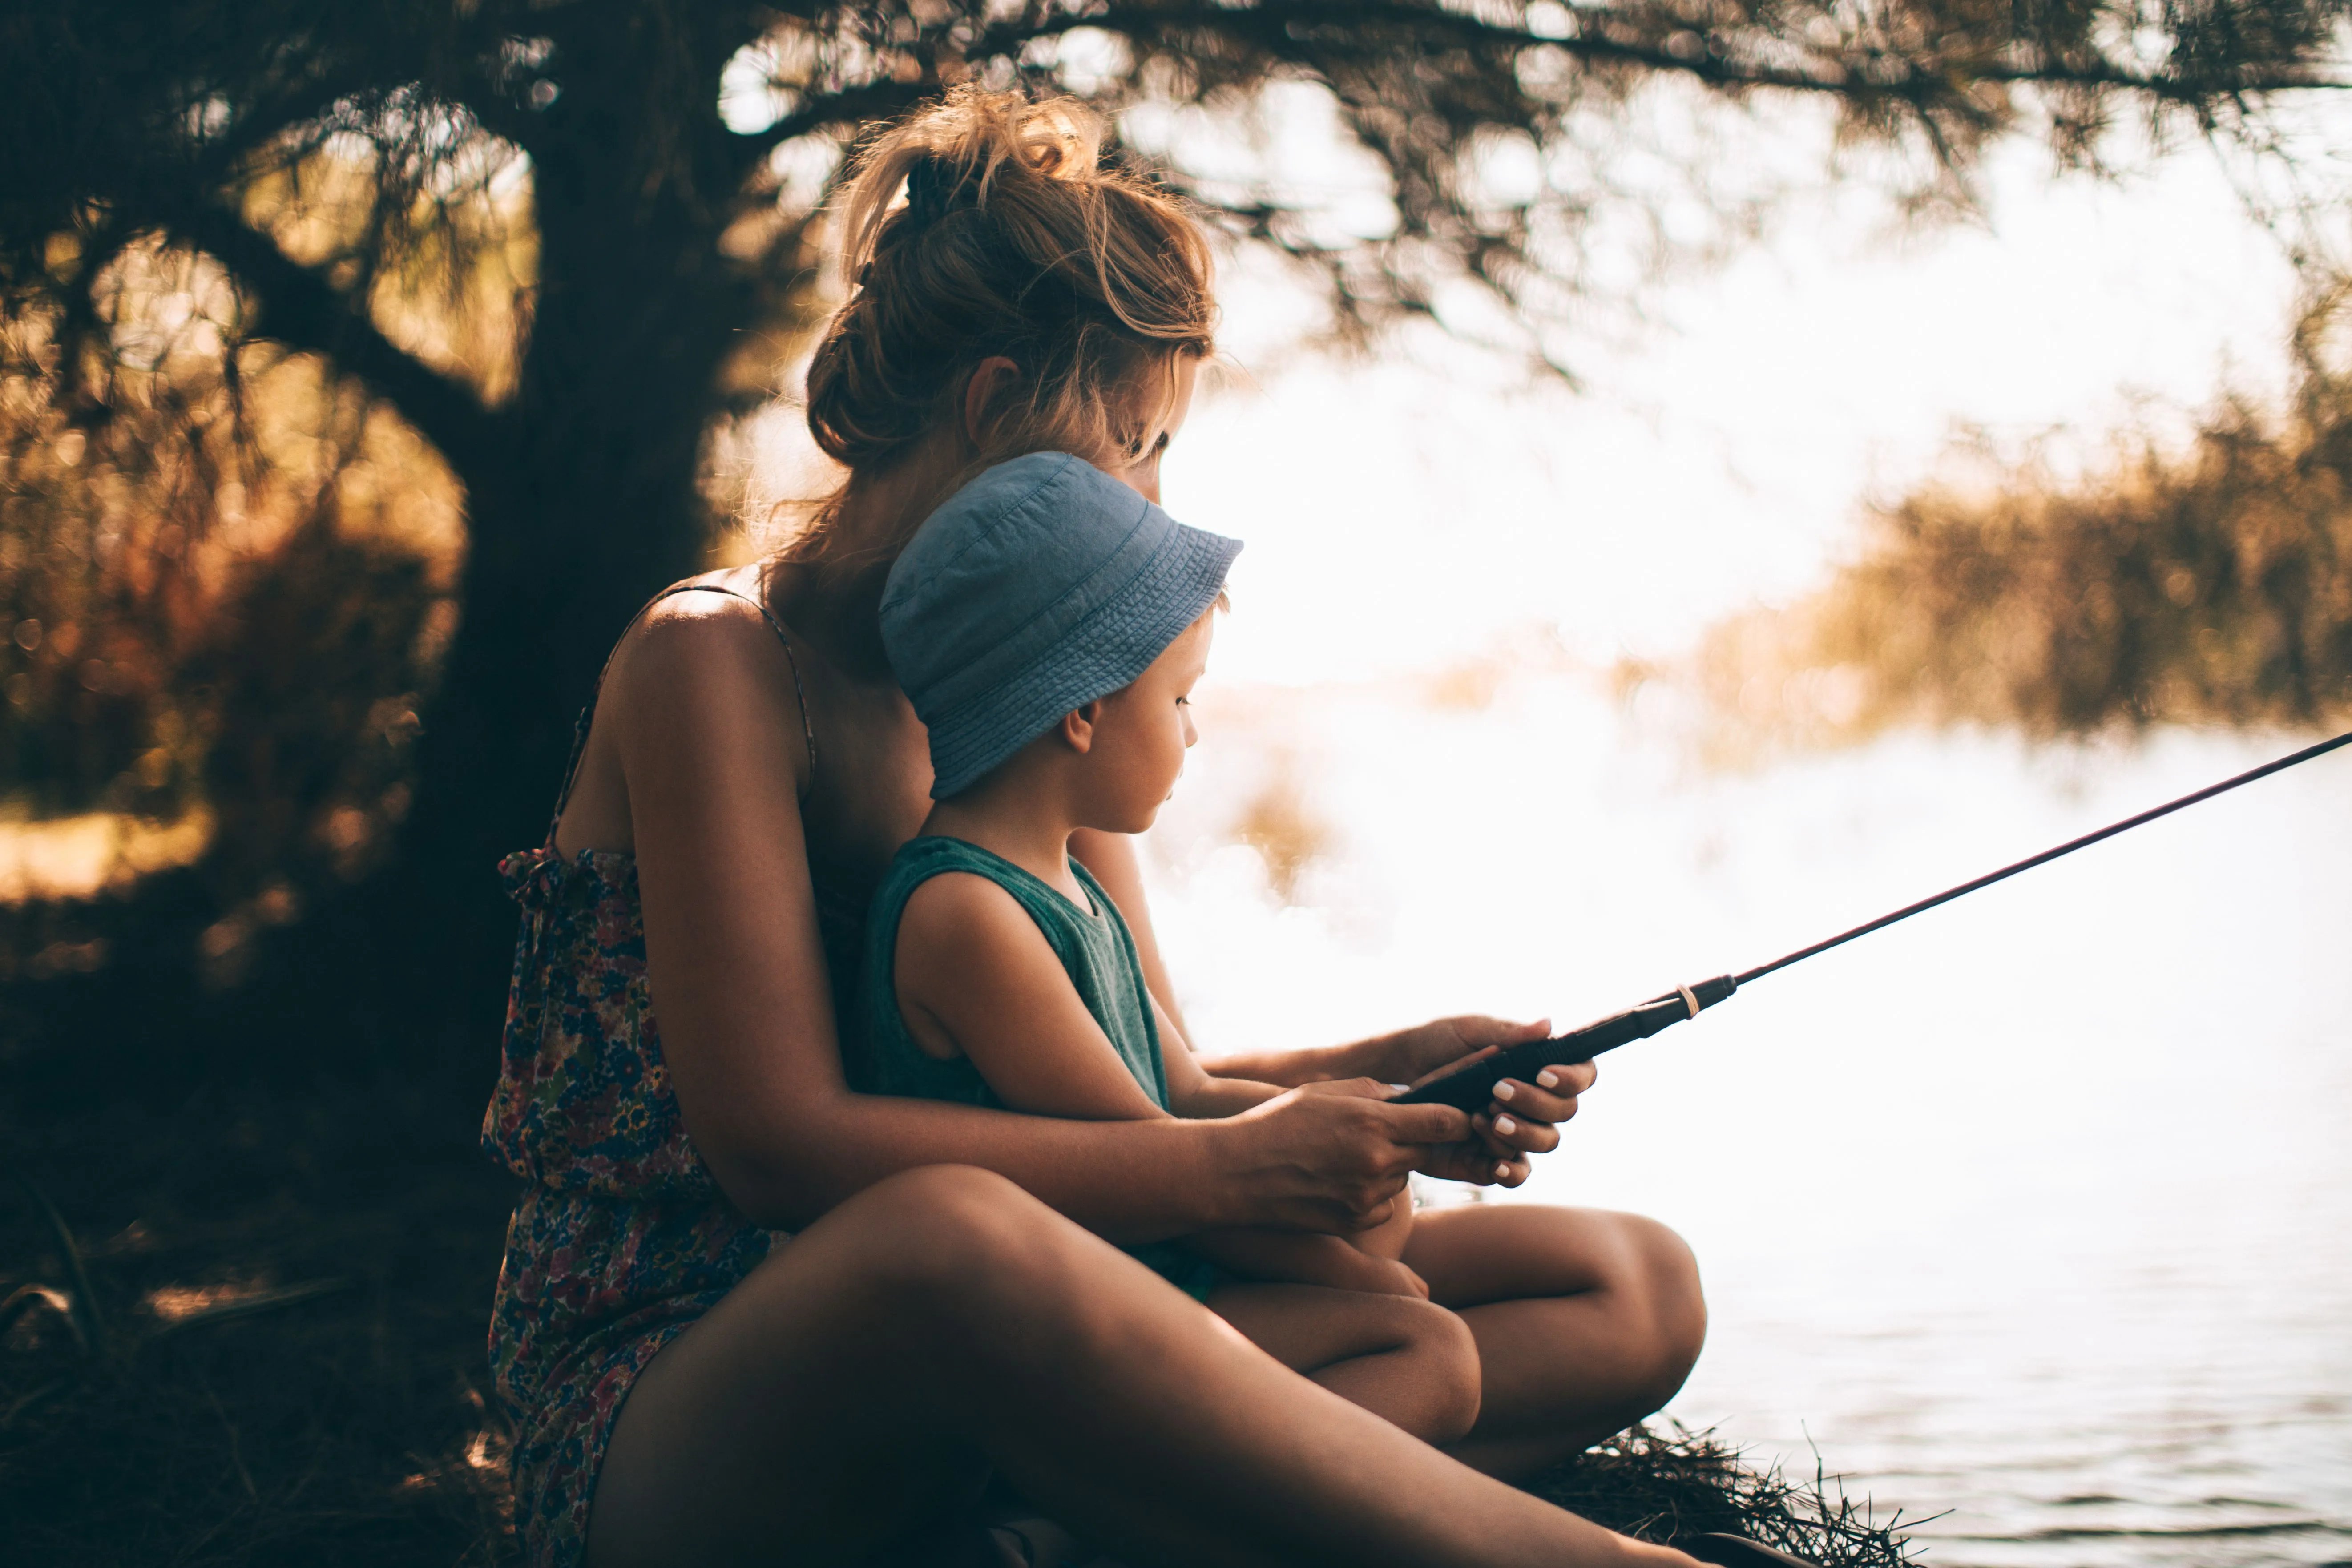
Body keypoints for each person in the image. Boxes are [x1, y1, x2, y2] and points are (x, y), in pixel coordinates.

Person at [482, 85, 1714, 1568]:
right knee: (949, 1235)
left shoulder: (1036, 691)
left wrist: (1383, 1085)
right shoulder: (714, 665)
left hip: (1043, 1316)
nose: (1147, 496)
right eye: (1134, 439)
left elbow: (1141, 1081)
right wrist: (1226, 1173)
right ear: (996, 405)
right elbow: (781, 1148)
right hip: (701, 1389)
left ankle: (1065, 1537)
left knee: (1628, 1288)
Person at [853, 451, 1479, 1446]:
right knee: (1425, 1349)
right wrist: (1351, 1263)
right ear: (1084, 709)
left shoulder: (1069, 884)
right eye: (1181, 698)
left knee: (1417, 1319)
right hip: (1062, 1331)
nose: (1193, 735)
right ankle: (1080, 1532)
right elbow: (1154, 1164)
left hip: (1142, 1286)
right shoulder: (966, 913)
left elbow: (1185, 1097)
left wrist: (1395, 1122)